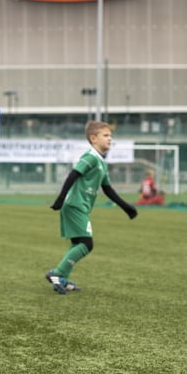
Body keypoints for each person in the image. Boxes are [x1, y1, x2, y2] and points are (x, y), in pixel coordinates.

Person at [46, 121, 138, 295]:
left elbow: (108, 189)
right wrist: (60, 199)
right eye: (106, 135)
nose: (110, 139)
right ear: (93, 138)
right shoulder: (90, 157)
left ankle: (62, 279)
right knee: (87, 244)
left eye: (110, 135)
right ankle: (57, 273)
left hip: (80, 206)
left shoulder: (101, 163)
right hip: (75, 205)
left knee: (77, 244)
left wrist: (127, 207)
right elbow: (73, 174)